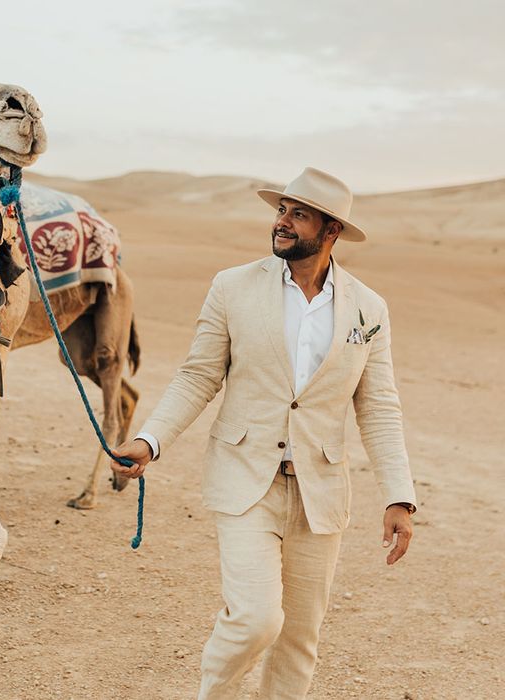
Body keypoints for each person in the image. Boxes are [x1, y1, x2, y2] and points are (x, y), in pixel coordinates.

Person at [112, 167, 416, 699]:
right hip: (245, 477)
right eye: (281, 210)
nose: (283, 222)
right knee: (255, 619)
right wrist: (151, 440)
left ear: (331, 231)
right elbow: (199, 374)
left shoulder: (369, 308)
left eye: (299, 214)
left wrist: (398, 497)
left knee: (299, 639)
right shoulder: (232, 287)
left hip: (319, 490)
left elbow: (379, 405)